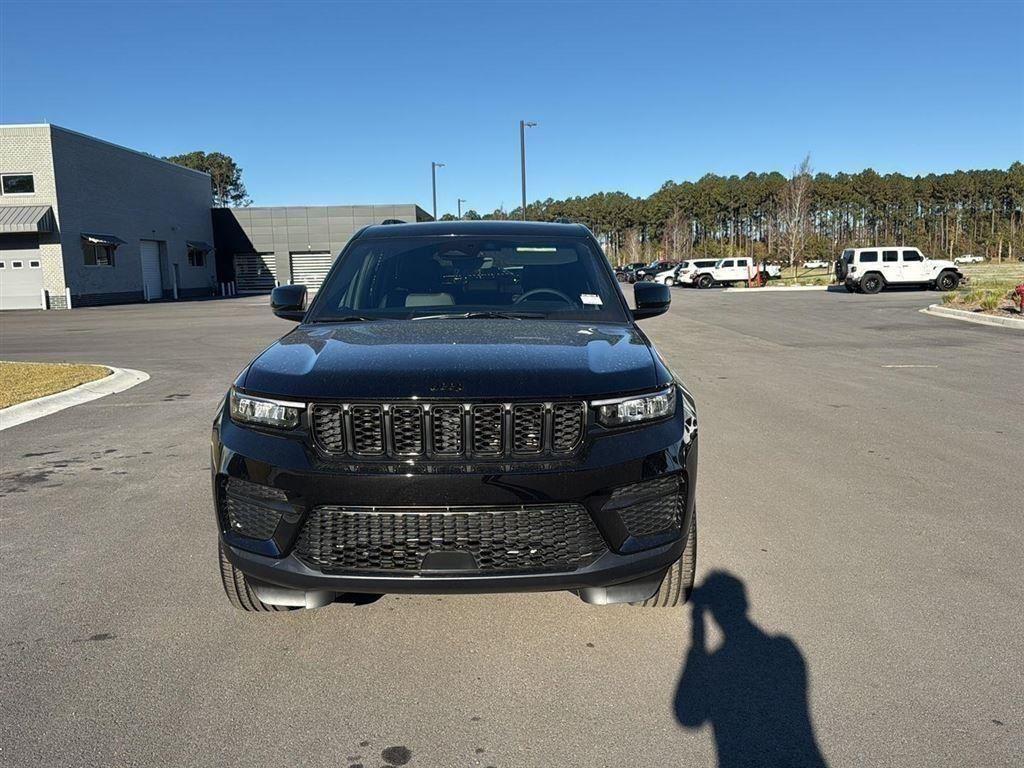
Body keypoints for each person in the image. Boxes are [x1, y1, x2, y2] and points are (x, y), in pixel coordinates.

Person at [675, 571, 828, 767]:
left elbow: (688, 717)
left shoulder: (718, 663)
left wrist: (697, 641)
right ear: (745, 604)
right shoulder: (786, 649)